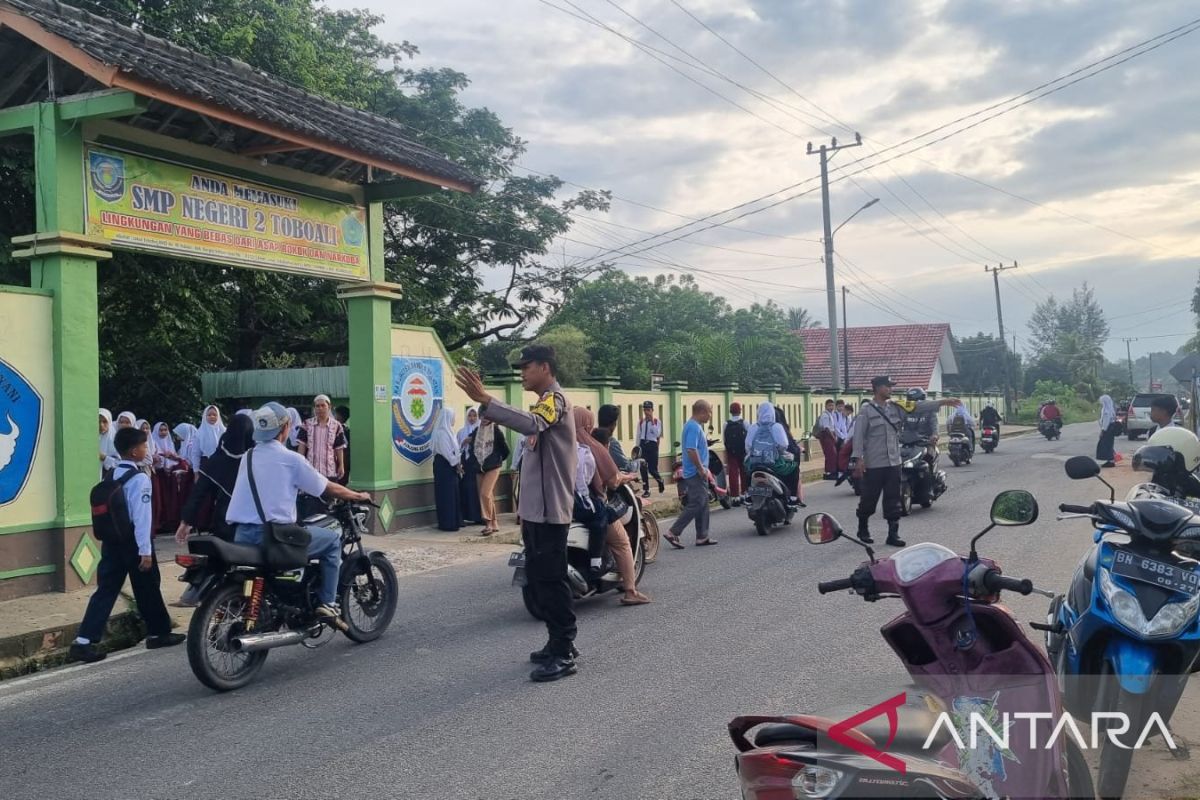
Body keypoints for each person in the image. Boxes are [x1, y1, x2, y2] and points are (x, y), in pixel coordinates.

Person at [455, 345, 579, 682]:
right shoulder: (542, 402)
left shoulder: (555, 401)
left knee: (552, 580)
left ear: (545, 367)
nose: (522, 373)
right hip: (536, 511)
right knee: (539, 578)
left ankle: (565, 650)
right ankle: (556, 642)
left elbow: (532, 425)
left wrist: (487, 400)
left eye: (526, 367)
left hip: (552, 510)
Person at [226, 402, 372, 626]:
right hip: (275, 539)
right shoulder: (291, 460)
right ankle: (328, 604)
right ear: (285, 428)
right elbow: (327, 487)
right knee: (332, 540)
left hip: (242, 536)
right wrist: (356, 495)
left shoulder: (248, 456)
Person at [70, 426, 186, 663]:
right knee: (148, 586)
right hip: (134, 542)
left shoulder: (111, 473)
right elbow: (142, 517)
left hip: (112, 541)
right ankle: (158, 633)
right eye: (144, 445)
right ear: (134, 452)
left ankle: (83, 641)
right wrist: (144, 551)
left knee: (106, 589)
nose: (146, 449)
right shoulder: (140, 478)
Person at [852, 376, 961, 547]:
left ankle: (893, 534)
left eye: (890, 387)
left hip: (894, 462)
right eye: (887, 386)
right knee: (869, 499)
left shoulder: (897, 407)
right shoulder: (866, 410)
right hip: (874, 463)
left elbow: (919, 406)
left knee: (893, 499)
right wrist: (858, 458)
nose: (890, 389)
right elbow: (858, 436)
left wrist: (943, 402)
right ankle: (863, 528)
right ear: (878, 388)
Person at [575, 407, 651, 606]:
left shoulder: (559, 445)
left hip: (560, 508)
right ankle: (631, 591)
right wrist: (627, 476)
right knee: (622, 542)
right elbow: (611, 480)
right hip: (589, 506)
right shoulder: (590, 448)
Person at [176, 413, 256, 543]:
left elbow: (198, 494)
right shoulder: (256, 459)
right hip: (253, 523)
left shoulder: (217, 460)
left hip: (223, 522)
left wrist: (186, 522)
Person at [664, 399, 718, 549]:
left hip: (698, 471)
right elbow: (691, 449)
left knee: (703, 502)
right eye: (709, 412)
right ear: (702, 412)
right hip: (694, 472)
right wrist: (701, 468)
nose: (710, 416)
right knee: (697, 502)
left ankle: (702, 535)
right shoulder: (693, 427)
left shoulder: (694, 426)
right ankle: (673, 531)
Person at [744, 402, 800, 502]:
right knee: (793, 467)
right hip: (774, 462)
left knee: (747, 469)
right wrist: (778, 452)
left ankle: (748, 494)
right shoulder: (777, 427)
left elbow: (748, 447)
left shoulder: (753, 427)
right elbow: (784, 445)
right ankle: (792, 497)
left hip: (755, 462)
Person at [296, 394, 348, 483]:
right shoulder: (306, 424)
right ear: (314, 408)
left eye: (323, 405)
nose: (320, 408)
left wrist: (341, 466)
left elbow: (339, 448)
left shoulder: (337, 426)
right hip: (311, 470)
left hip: (330, 470)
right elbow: (301, 447)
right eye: (317, 406)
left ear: (329, 407)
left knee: (329, 495)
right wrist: (299, 464)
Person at [474, 415, 510, 536]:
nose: (484, 418)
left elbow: (505, 450)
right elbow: (472, 447)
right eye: (482, 416)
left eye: (486, 416)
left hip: (493, 467)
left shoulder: (495, 430)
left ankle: (488, 523)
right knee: (488, 495)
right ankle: (494, 523)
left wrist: (496, 459)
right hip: (480, 467)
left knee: (485, 494)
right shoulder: (477, 430)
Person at [431, 407, 464, 532]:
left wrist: (457, 463)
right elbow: (447, 453)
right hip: (444, 467)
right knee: (446, 495)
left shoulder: (449, 432)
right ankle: (447, 523)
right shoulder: (442, 434)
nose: (454, 419)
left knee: (453, 494)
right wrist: (457, 464)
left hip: (449, 467)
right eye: (453, 417)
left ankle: (454, 521)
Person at [636, 401, 666, 496]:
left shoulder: (657, 421)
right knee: (643, 468)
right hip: (643, 445)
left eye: (648, 410)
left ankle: (660, 480)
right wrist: (637, 448)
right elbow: (638, 435)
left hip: (652, 445)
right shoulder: (641, 422)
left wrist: (652, 422)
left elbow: (657, 434)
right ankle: (646, 490)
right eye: (645, 410)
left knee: (652, 469)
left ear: (652, 410)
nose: (646, 412)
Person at [723, 402, 749, 501]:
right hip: (743, 451)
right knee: (744, 471)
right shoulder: (745, 423)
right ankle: (745, 493)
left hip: (731, 451)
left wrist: (728, 450)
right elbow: (749, 437)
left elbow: (724, 439)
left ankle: (735, 496)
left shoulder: (726, 423)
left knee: (733, 472)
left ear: (730, 411)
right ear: (740, 410)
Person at [596, 404, 632, 472]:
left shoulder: (591, 438)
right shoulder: (611, 442)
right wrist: (636, 463)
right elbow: (626, 466)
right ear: (614, 423)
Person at [816, 398, 840, 480]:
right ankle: (830, 472)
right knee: (831, 454)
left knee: (832, 454)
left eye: (832, 405)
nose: (831, 407)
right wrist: (833, 437)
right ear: (826, 406)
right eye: (829, 405)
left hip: (831, 435)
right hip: (827, 436)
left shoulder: (832, 414)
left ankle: (832, 471)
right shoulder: (825, 415)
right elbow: (827, 428)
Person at [836, 403, 856, 484]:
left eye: (849, 414)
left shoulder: (849, 418)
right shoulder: (837, 416)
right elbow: (837, 428)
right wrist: (844, 439)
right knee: (842, 454)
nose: (848, 415)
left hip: (847, 439)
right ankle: (842, 470)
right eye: (848, 413)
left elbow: (849, 429)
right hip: (843, 438)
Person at [1097, 394, 1118, 468]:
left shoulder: (1106, 411)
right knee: (1109, 445)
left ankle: (1109, 461)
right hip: (1111, 429)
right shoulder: (1111, 409)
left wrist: (1102, 431)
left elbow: (1106, 422)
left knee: (1105, 445)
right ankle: (1110, 460)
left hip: (1107, 429)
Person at [98, 408, 118, 473]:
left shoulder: (115, 439)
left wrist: (104, 458)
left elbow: (119, 463)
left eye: (104, 421)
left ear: (109, 422)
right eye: (98, 421)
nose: (101, 425)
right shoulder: (87, 437)